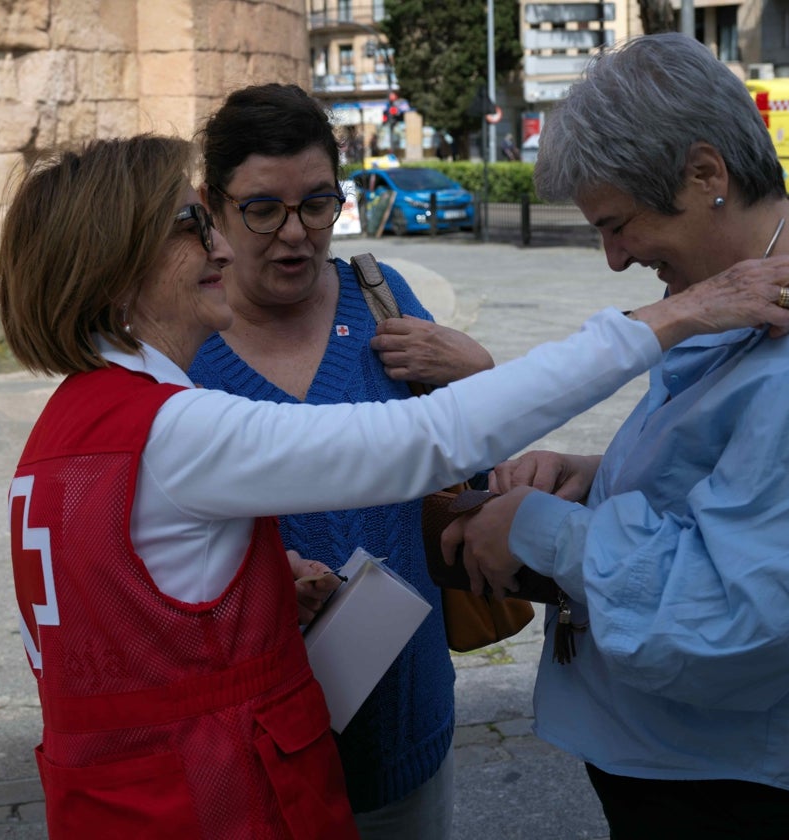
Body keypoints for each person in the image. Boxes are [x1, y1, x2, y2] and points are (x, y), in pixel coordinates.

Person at [0, 133, 789, 839]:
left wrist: (248, 587)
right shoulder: (174, 428)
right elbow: (428, 438)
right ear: (113, 264)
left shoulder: (66, 429)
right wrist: (674, 317)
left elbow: (117, 605)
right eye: (190, 225)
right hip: (218, 808)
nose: (218, 248)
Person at [446, 34, 789, 840]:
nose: (614, 261)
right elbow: (752, 479)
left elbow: (748, 618)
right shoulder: (756, 301)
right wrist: (597, 475)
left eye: (619, 225)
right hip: (706, 766)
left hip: (760, 790)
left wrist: (544, 531)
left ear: (707, 176)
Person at [190, 83, 494, 839]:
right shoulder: (186, 349)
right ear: (212, 206)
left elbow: (472, 486)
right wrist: (249, 587)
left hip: (405, 732)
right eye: (264, 208)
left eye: (318, 204)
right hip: (256, 761)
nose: (296, 234)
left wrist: (481, 383)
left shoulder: (384, 302)